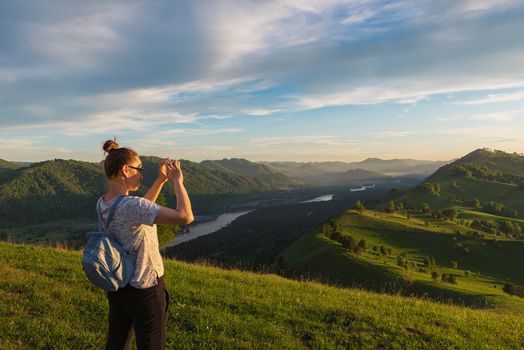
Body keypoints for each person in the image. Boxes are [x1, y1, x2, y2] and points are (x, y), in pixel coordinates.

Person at [99, 139, 193, 350]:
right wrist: (178, 180)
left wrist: (160, 180)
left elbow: (141, 210)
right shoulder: (133, 205)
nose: (141, 173)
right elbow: (185, 216)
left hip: (118, 285)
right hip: (145, 288)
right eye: (138, 168)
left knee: (117, 343)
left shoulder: (104, 202)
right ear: (125, 170)